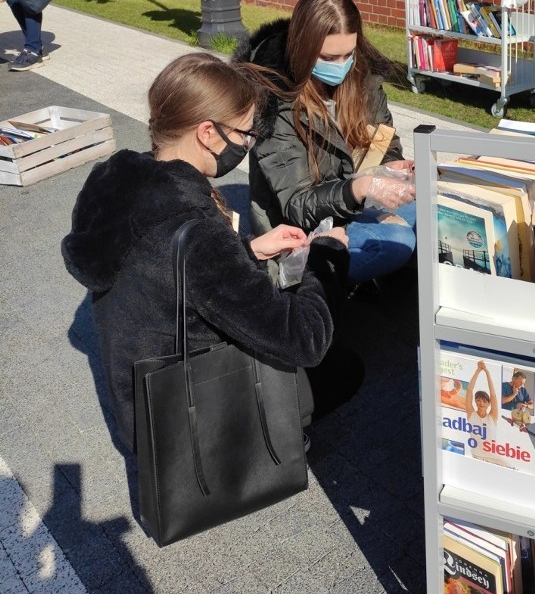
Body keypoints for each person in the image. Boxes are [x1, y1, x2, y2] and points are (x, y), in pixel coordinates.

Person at [61, 52, 361, 455]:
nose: (248, 144)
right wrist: (326, 256)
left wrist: (248, 249)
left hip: (141, 404)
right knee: (342, 369)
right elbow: (302, 340)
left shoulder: (114, 176)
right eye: (244, 135)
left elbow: (163, 267)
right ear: (207, 132)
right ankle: (266, 441)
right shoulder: (196, 229)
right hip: (185, 426)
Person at [233, 0, 416, 285]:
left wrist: (391, 170)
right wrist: (363, 187)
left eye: (348, 54)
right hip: (297, 227)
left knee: (428, 214)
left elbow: (384, 139)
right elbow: (297, 205)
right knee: (398, 240)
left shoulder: (362, 76)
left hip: (351, 202)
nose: (341, 67)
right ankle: (310, 286)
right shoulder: (273, 98)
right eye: (328, 58)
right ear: (303, 50)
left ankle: (357, 267)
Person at [465, 361, 499, 425]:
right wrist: (478, 370)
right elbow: (469, 390)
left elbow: (493, 395)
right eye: (478, 400)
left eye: (484, 401)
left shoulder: (493, 417)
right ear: (475, 401)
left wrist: (487, 372)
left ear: (489, 403)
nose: (481, 403)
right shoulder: (471, 414)